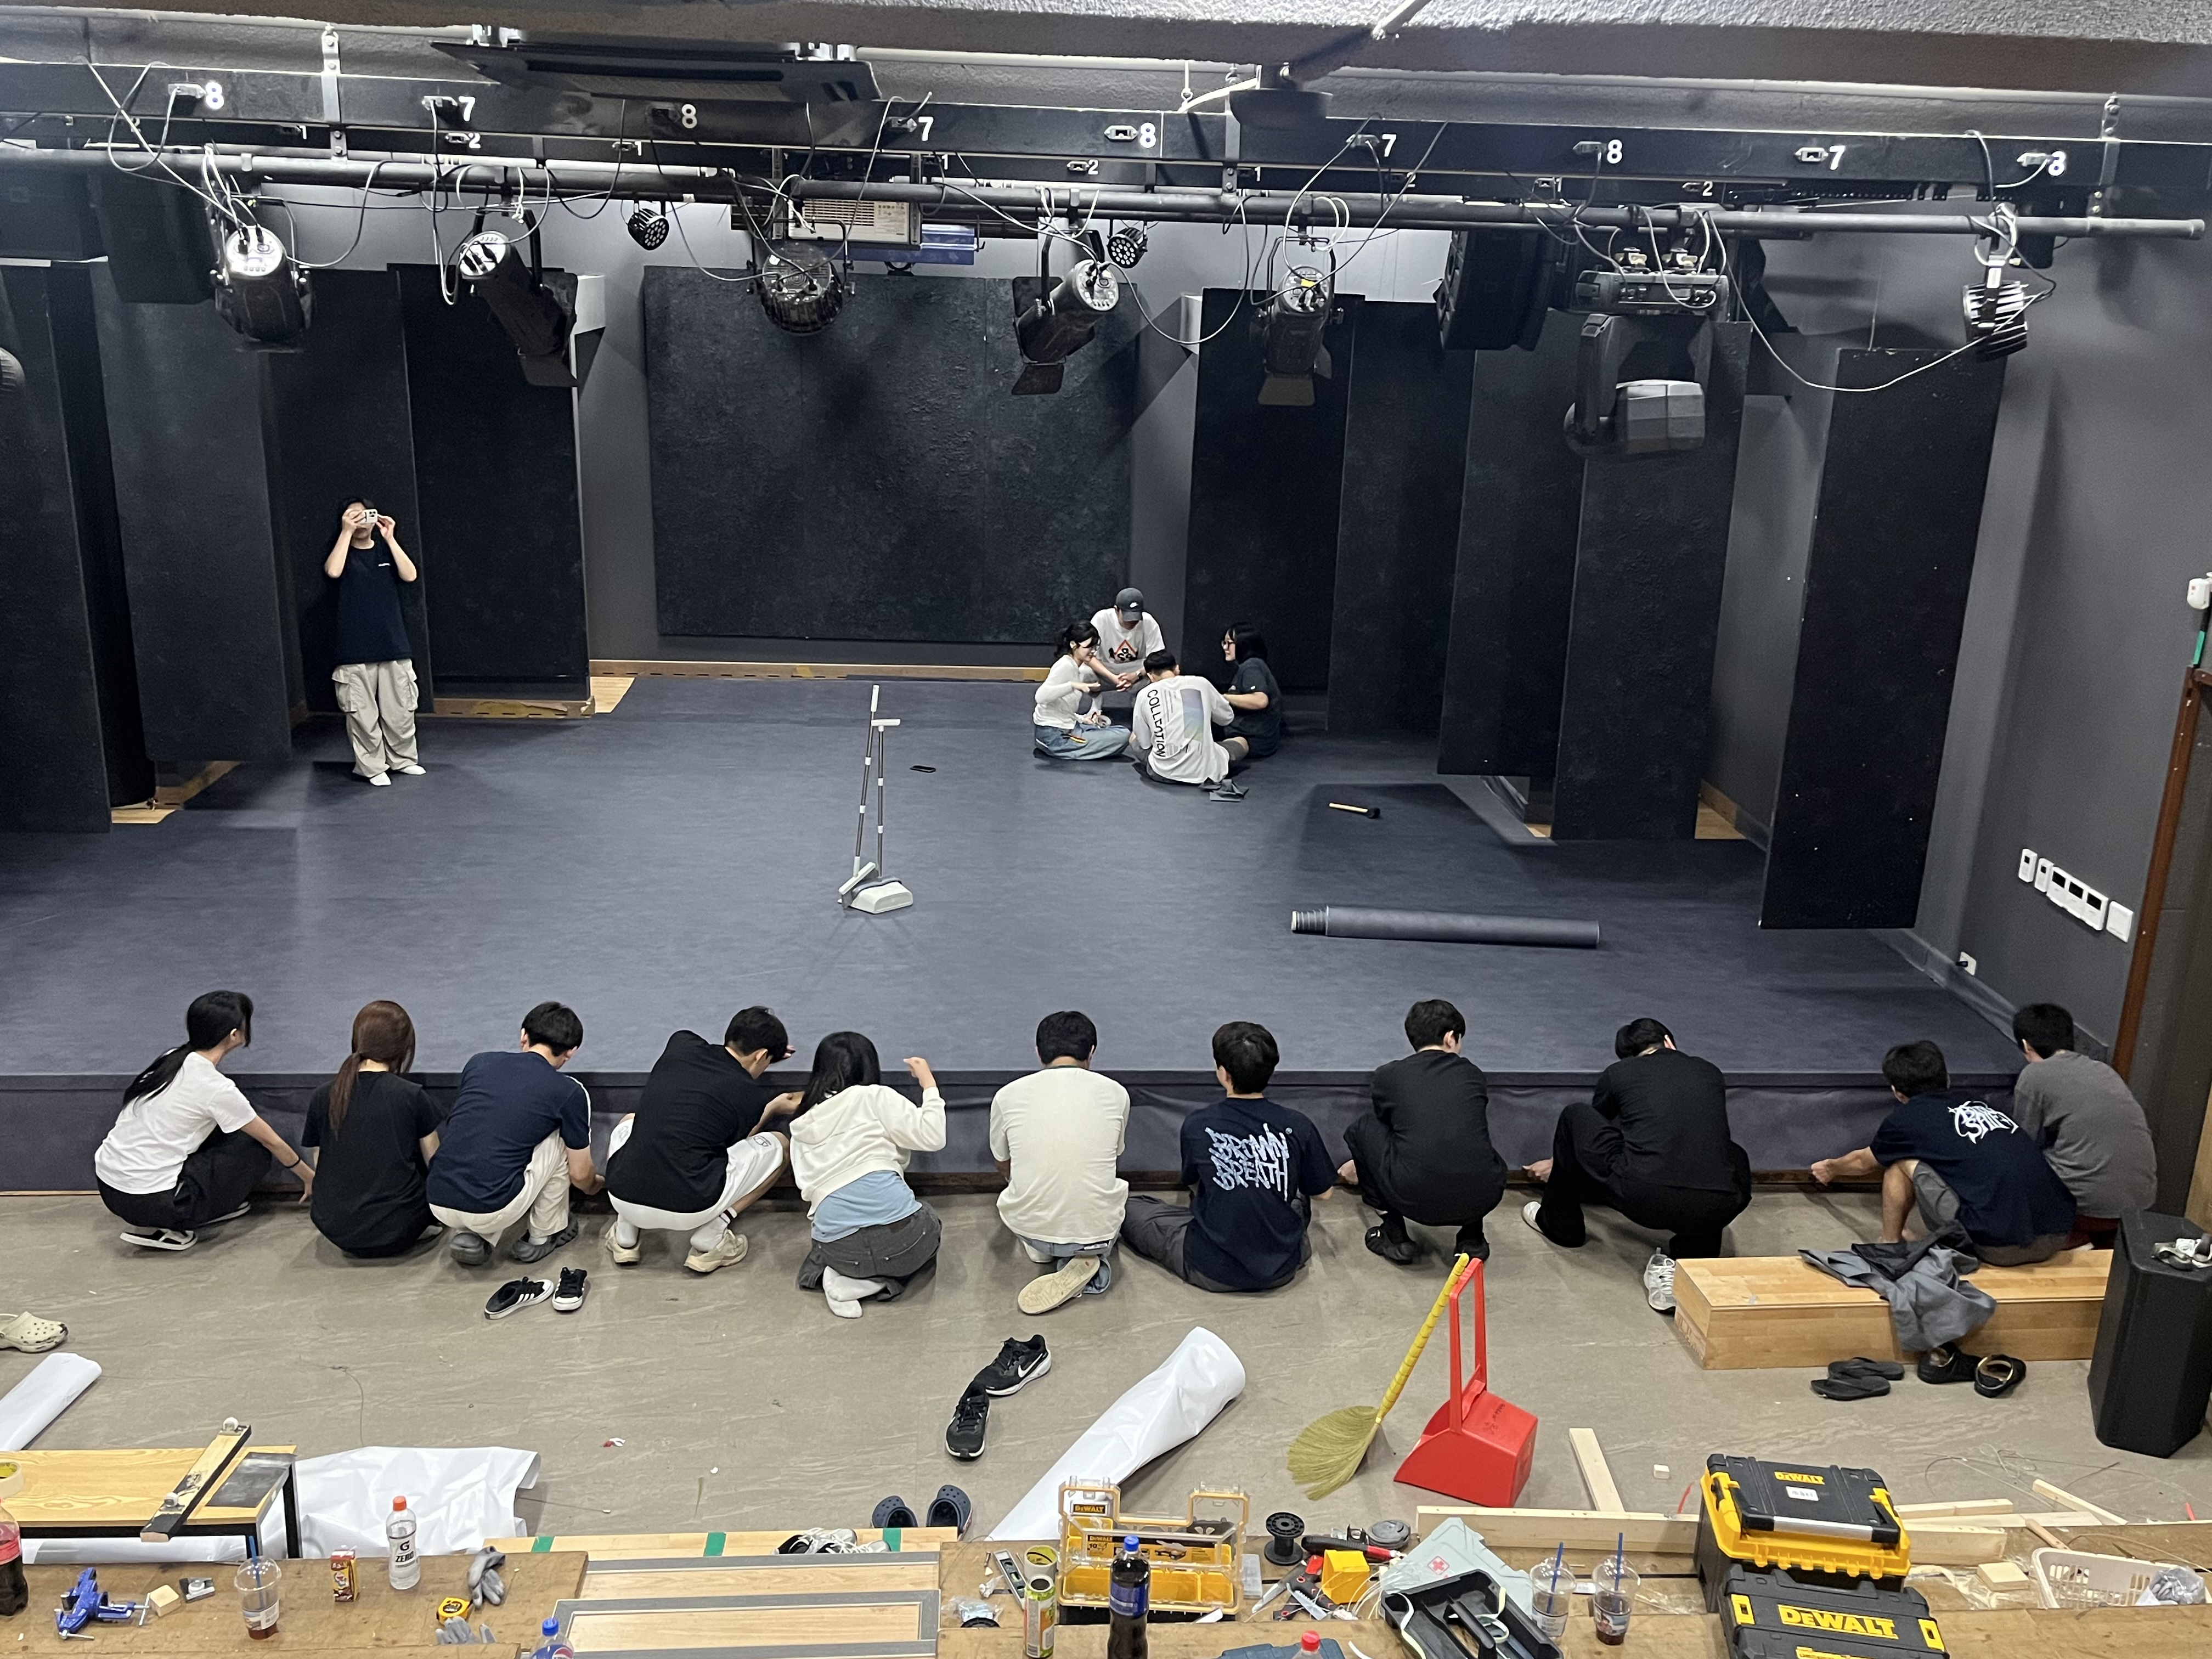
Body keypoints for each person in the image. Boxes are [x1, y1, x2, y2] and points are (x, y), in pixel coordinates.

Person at [1522, 1018, 1752, 1314]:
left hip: (1642, 1197)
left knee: (1575, 1116)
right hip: (1719, 1205)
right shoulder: (1709, 1071)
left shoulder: (1619, 1073)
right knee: (1730, 1154)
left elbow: (1599, 1126)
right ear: (1668, 1042)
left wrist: (1558, 1162)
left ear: (1627, 1058)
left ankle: (1560, 1224)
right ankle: (1694, 1254)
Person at [1811, 1040, 2075, 1267]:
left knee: (1899, 1162)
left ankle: (1889, 1242)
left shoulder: (1906, 1119)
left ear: (1898, 1093)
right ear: (1947, 1079)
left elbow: (1864, 1162)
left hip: (2001, 1248)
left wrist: (1831, 1168)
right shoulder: (1981, 1106)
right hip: (2060, 1233)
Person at [1120, 1022, 1336, 1293]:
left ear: (1223, 1073)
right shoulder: (1298, 1125)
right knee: (1297, 1193)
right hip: (1283, 1268)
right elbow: (1324, 1193)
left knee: (1126, 1208)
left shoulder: (1198, 1124)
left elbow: (1193, 1182)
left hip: (1209, 1269)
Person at [93, 990, 314, 1252]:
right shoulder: (217, 1088)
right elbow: (272, 1142)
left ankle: (200, 1207)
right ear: (235, 1035)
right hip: (156, 1202)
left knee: (224, 1131)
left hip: (109, 1187)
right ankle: (184, 1222)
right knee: (253, 1147)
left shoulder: (169, 1059)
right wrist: (310, 1178)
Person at [603, 1007, 798, 1275]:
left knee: (630, 1120)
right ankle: (713, 1235)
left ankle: (625, 1234)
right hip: (692, 1208)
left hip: (621, 1194)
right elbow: (734, 1146)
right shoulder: (749, 1096)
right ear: (761, 1055)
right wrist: (773, 1107)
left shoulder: (680, 1044)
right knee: (780, 1146)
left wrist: (764, 1050)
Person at [426, 1001, 600, 1267]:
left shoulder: (478, 1063)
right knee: (560, 1139)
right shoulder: (569, 1092)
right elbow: (580, 1175)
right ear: (570, 1053)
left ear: (523, 1036)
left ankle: (472, 1233)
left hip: (437, 1200)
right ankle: (544, 1235)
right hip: (493, 1208)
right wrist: (598, 1185)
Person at [786, 1033, 947, 1318]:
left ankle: (842, 1275)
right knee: (929, 1222)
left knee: (831, 1238)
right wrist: (929, 1084)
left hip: (839, 1251)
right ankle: (874, 1284)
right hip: (903, 1245)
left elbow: (807, 1188)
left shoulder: (802, 1122)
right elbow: (933, 1136)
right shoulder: (875, 1096)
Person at [1338, 999, 1507, 1264]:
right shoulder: (1472, 1074)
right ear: (1451, 1038)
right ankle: (1472, 1238)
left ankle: (1394, 1234)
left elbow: (1388, 1126)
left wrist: (1363, 1163)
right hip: (1485, 1194)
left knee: (1364, 1128)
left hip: (1412, 1198)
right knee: (1468, 1135)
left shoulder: (1387, 1075)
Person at [990, 1010, 1132, 1313]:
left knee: (1034, 1232)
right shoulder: (1117, 1094)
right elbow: (1115, 1154)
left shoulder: (1007, 1096)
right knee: (1107, 1216)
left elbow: (1002, 1161)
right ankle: (1091, 1258)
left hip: (1031, 1229)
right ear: (1091, 1052)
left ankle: (1046, 1250)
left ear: (1038, 1052)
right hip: (1098, 1231)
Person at [302, 1000, 443, 1258]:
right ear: (404, 1047)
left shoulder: (323, 1096)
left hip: (334, 1227)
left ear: (357, 1040)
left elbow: (321, 1163)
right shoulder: (411, 1096)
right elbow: (436, 1164)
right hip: (400, 1229)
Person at [2009, 1003, 2158, 1246]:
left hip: (2085, 1208)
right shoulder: (2104, 1071)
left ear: (2026, 1045)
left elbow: (2022, 1144)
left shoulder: (2034, 1076)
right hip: (2140, 1204)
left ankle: (2073, 1242)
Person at [324, 498, 424, 787]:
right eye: (352, 516)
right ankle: (371, 767)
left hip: (392, 643)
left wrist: (390, 537)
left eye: (365, 515)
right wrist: (346, 532)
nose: (360, 521)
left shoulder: (385, 550)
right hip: (354, 648)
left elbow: (410, 575)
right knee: (362, 714)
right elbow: (333, 571)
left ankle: (403, 759)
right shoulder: (343, 552)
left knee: (401, 710)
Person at [1131, 650, 1244, 787]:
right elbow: (1227, 718)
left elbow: (1144, 744)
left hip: (1163, 774)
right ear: (1177, 669)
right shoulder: (1201, 683)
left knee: (1134, 737)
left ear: (1151, 676)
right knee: (1241, 742)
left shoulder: (1144, 694)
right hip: (1207, 773)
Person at [1033, 620, 1132, 762]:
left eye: (1095, 647)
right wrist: (1073, 685)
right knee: (1123, 736)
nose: (1093, 652)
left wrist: (1082, 719)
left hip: (1060, 729)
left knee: (1116, 730)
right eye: (1088, 647)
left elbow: (1061, 707)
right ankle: (1068, 748)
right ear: (1073, 645)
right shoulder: (1065, 666)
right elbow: (1041, 697)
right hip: (1055, 736)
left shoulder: (1074, 666)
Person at [1218, 624, 1283, 760]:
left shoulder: (1251, 666)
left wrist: (1223, 697)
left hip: (1251, 738)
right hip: (1247, 733)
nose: (1225, 647)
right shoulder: (1252, 666)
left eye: (1229, 643)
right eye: (1224, 643)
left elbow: (1260, 700)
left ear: (1244, 644)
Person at [1088, 588, 1165, 689]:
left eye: (1136, 616)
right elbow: (1087, 656)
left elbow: (1158, 659)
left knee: (1161, 670)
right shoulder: (1102, 618)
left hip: (1136, 669)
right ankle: (1096, 697)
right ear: (1116, 610)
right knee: (1083, 672)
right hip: (1106, 668)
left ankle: (1143, 698)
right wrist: (1113, 677)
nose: (1132, 622)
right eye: (1127, 617)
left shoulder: (1149, 622)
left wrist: (1137, 675)